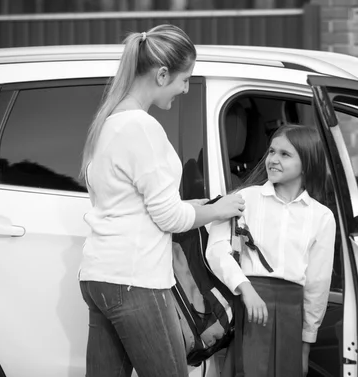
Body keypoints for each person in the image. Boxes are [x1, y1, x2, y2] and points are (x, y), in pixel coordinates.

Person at [78, 24, 245, 377]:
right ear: (162, 73)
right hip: (134, 280)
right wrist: (219, 209)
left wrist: (194, 207)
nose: (185, 88)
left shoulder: (109, 122)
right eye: (184, 79)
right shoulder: (142, 127)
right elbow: (168, 218)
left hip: (99, 276)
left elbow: (131, 202)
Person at [206, 124, 337, 377]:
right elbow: (217, 249)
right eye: (271, 152)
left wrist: (306, 346)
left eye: (285, 154)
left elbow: (317, 285)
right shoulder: (246, 198)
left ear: (307, 163)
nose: (273, 160)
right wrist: (246, 289)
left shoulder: (322, 216)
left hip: (292, 312)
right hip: (250, 305)